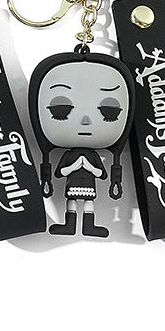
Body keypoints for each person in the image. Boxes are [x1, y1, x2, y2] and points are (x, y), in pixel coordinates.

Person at [28, 51, 135, 238]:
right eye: (60, 110)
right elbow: (59, 173)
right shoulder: (71, 156)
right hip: (73, 184)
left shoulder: (92, 156)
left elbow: (102, 174)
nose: (86, 121)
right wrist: (76, 165)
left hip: (88, 186)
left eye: (109, 111)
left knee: (88, 203)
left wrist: (91, 168)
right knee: (71, 202)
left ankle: (88, 226)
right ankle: (69, 225)